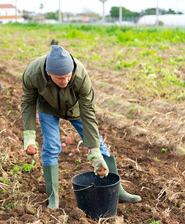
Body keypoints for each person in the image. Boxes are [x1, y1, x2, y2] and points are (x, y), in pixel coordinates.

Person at [21, 45, 141, 208]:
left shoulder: (80, 75)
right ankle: (53, 199)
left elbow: (88, 112)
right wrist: (29, 135)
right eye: (59, 78)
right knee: (51, 148)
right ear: (49, 73)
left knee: (99, 146)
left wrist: (94, 151)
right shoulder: (33, 73)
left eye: (67, 77)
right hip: (47, 108)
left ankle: (118, 191)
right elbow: (28, 103)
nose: (65, 81)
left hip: (75, 108)